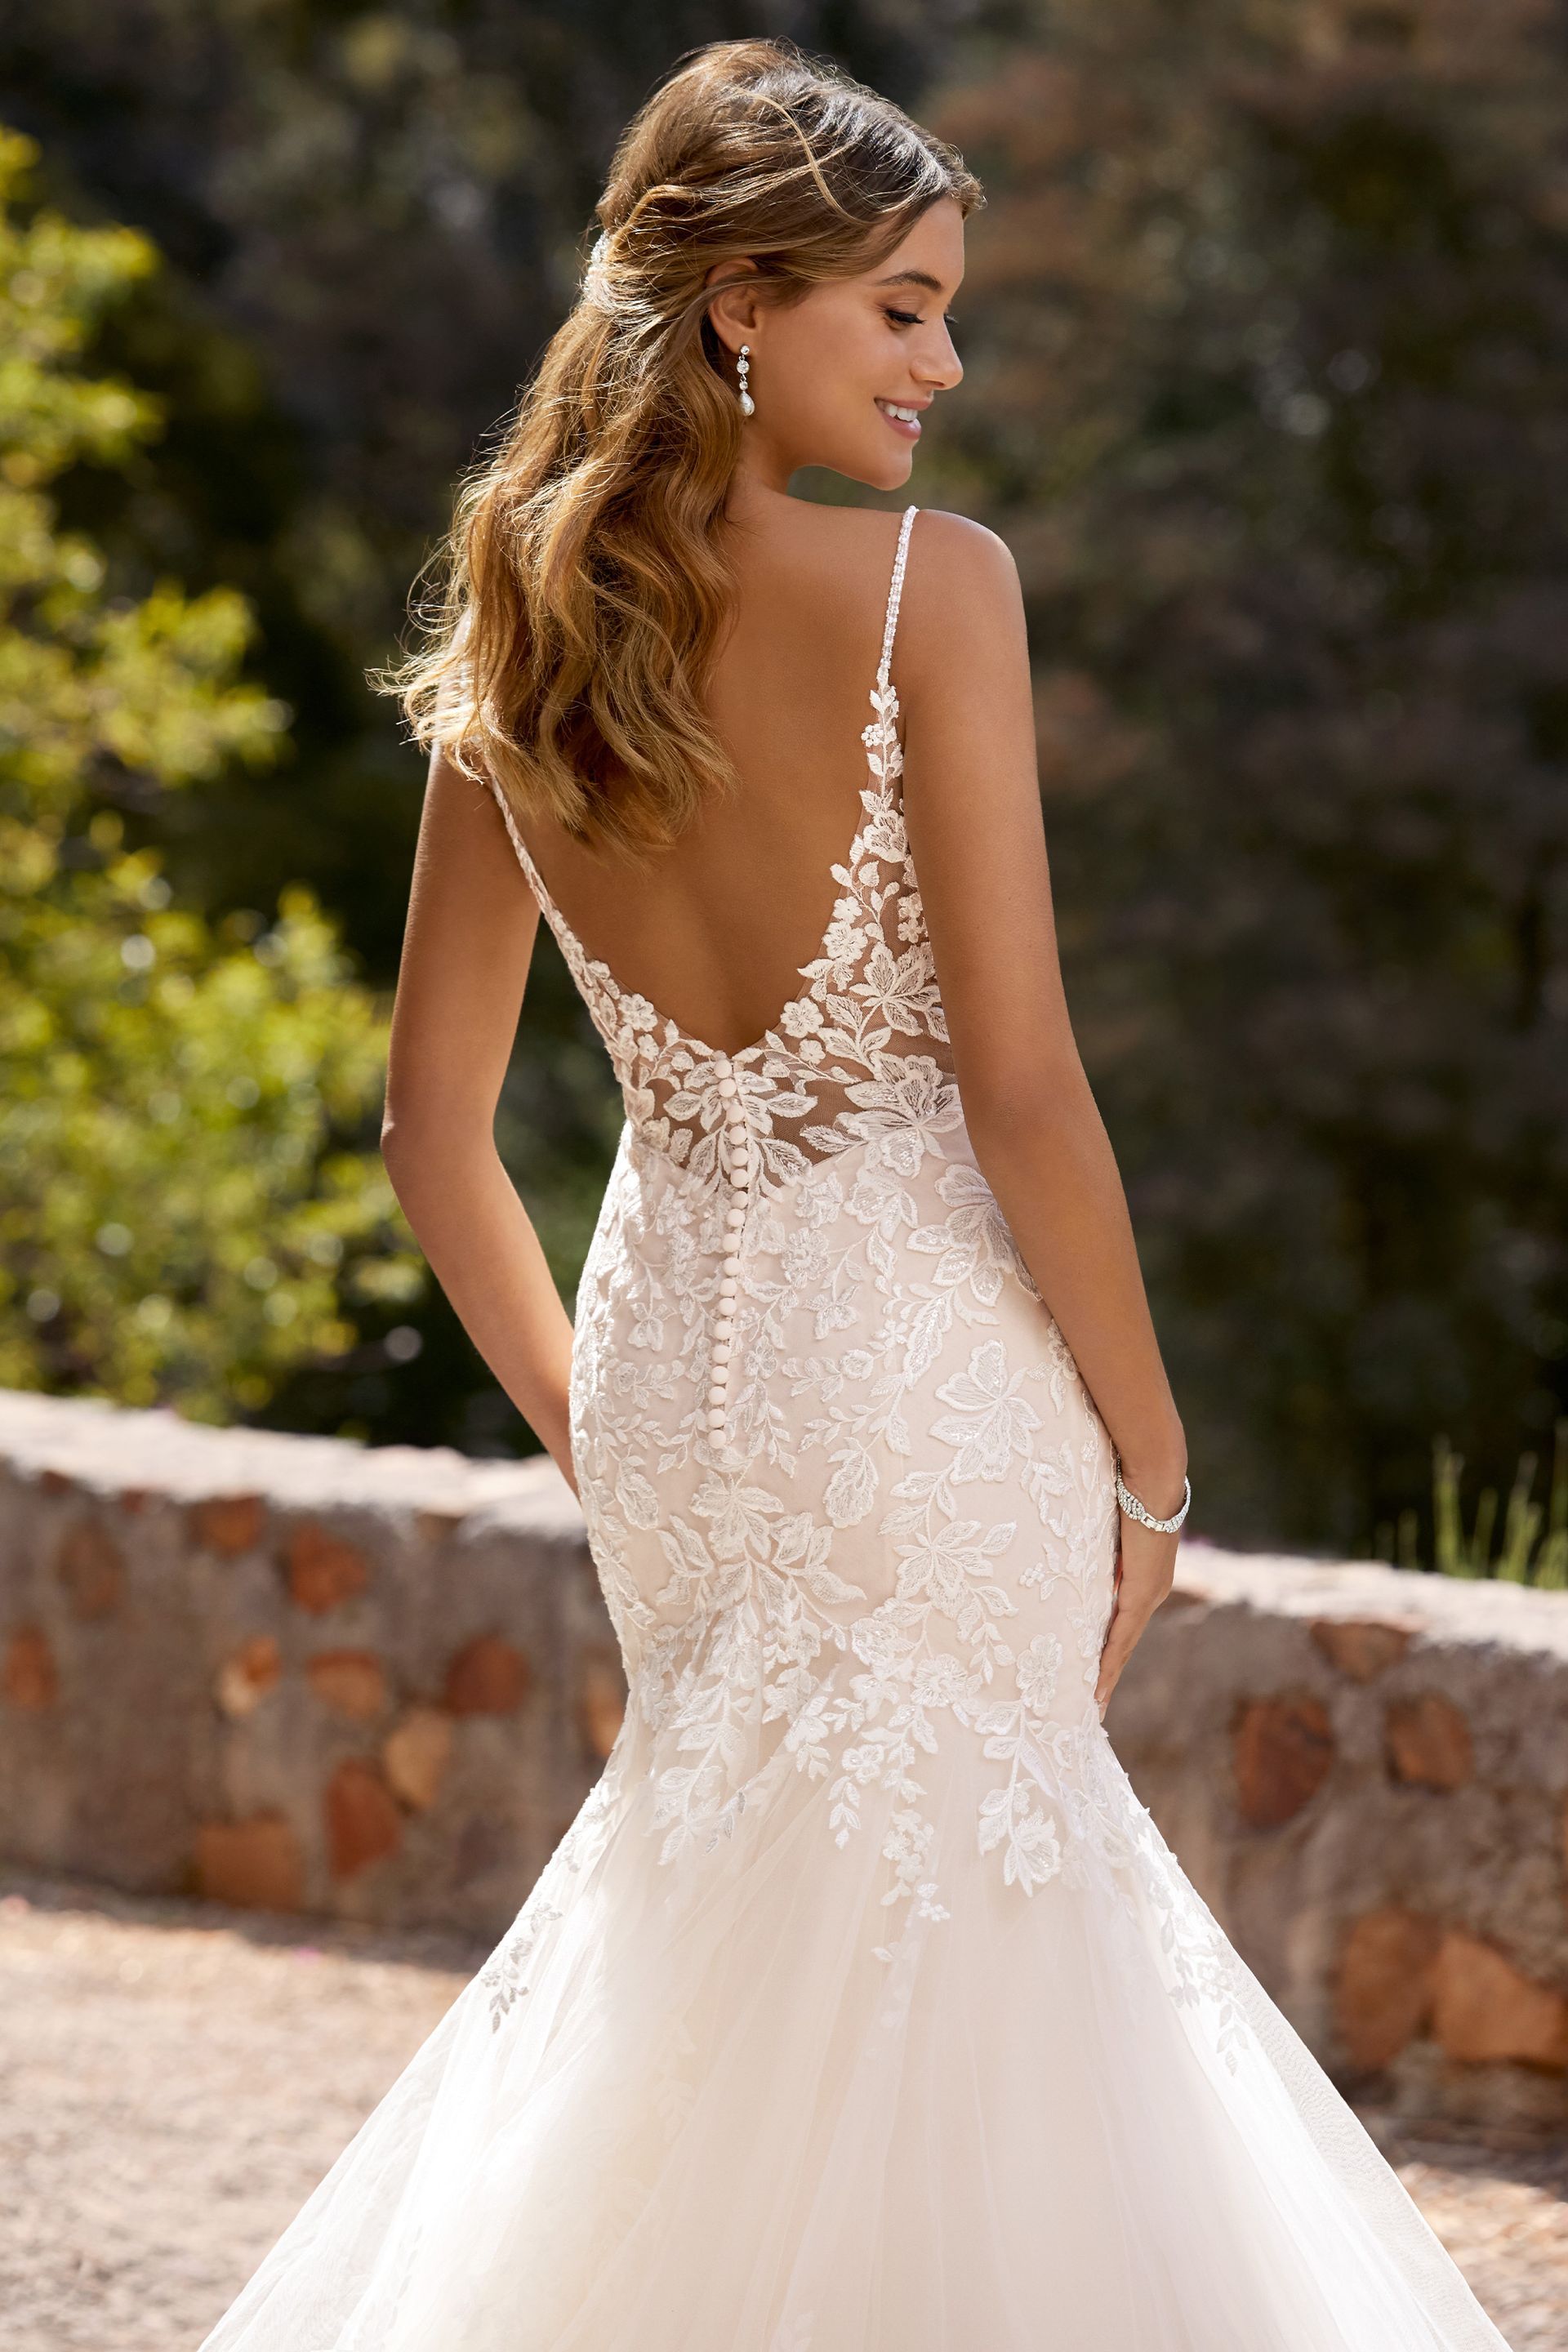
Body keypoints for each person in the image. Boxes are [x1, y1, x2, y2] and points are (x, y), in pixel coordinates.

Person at [198, 38, 1516, 2352]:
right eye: (898, 306)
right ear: (739, 304)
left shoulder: (516, 609)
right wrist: (1155, 1452)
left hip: (682, 1393)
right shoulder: (932, 590)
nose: (947, 358)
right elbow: (1020, 1087)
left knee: (734, 1964)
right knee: (977, 1973)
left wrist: (593, 1425)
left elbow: (434, 1134)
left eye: (947, 308)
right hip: (909, 1378)